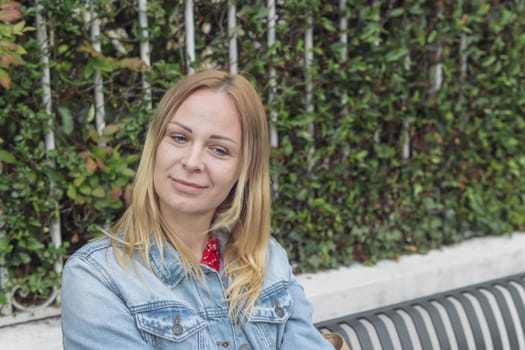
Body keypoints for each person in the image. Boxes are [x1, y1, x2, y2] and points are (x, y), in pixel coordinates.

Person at [61, 70, 336, 349]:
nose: (192, 162)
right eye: (179, 138)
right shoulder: (98, 279)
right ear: (155, 145)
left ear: (243, 170)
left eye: (219, 150)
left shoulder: (267, 259)